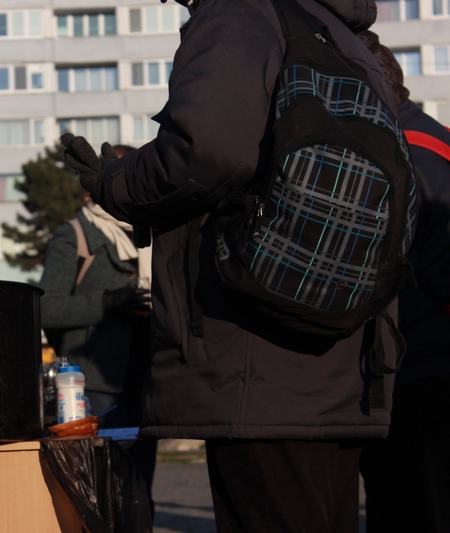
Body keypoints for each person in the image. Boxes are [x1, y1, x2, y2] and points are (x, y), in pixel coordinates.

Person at [61, 0, 405, 530]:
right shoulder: (338, 33)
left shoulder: (238, 11)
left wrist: (116, 183)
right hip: (339, 353)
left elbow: (207, 151)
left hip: (254, 347)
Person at [357, 30, 450, 533]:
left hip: (420, 362)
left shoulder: (404, 150)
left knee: (411, 504)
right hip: (424, 357)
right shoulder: (432, 139)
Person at [40, 144, 158, 511]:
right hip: (92, 386)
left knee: (139, 493)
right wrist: (109, 302)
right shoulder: (75, 235)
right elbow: (44, 308)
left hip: (147, 379)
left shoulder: (150, 232)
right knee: (99, 494)